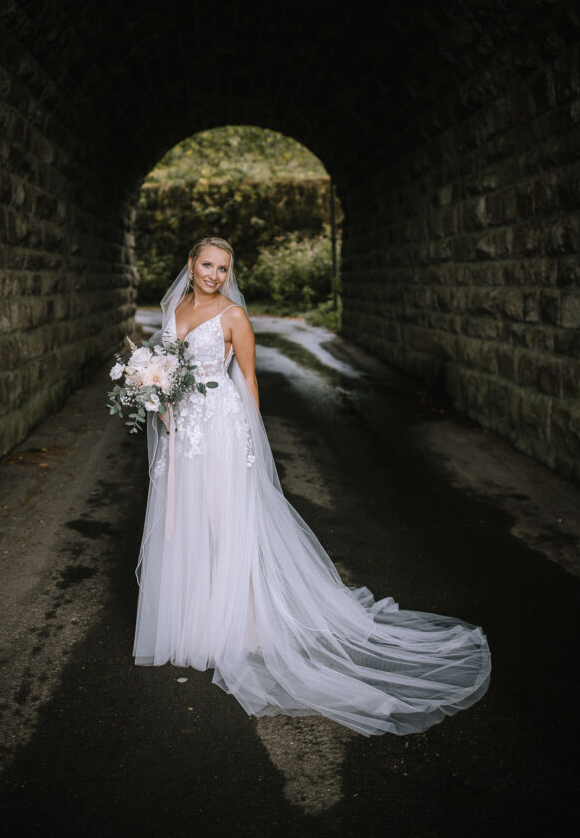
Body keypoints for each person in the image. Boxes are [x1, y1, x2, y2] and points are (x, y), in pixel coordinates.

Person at [133, 236, 491, 736]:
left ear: (230, 273)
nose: (214, 275)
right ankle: (196, 623)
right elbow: (164, 366)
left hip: (221, 429)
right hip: (183, 430)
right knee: (191, 522)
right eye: (207, 265)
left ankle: (239, 624)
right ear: (191, 264)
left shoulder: (234, 316)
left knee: (226, 522)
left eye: (223, 268)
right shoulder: (174, 307)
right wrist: (153, 390)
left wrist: (250, 446)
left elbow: (249, 382)